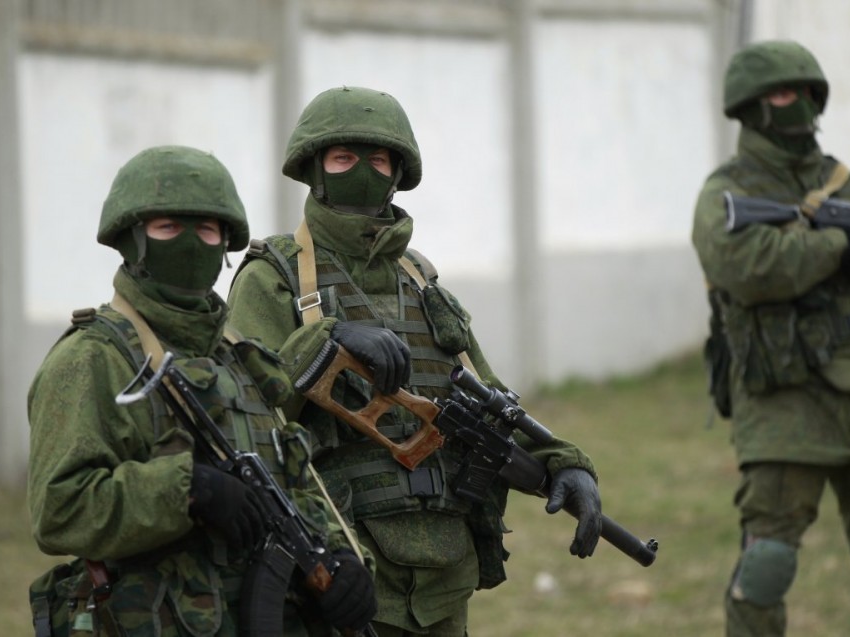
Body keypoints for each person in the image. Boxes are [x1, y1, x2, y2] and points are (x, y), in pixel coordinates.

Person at [225, 86, 603, 636]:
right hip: (336, 571)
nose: (362, 172)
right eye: (343, 157)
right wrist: (327, 339)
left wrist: (564, 462)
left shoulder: (422, 282)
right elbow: (241, 412)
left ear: (398, 172)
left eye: (378, 159)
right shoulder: (274, 278)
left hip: (443, 576)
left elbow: (487, 398)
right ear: (314, 169)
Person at [27, 145, 377, 636]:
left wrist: (341, 557)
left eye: (209, 230)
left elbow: (295, 485)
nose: (192, 244)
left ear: (225, 243)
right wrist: (187, 491)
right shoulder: (92, 359)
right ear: (132, 240)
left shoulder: (242, 359)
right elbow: (59, 510)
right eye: (169, 228)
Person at [692, 40, 850, 636]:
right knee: (766, 571)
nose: (801, 103)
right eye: (786, 93)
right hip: (786, 408)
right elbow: (743, 265)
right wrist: (839, 246)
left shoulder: (845, 184)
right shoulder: (726, 191)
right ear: (752, 106)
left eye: (808, 92)